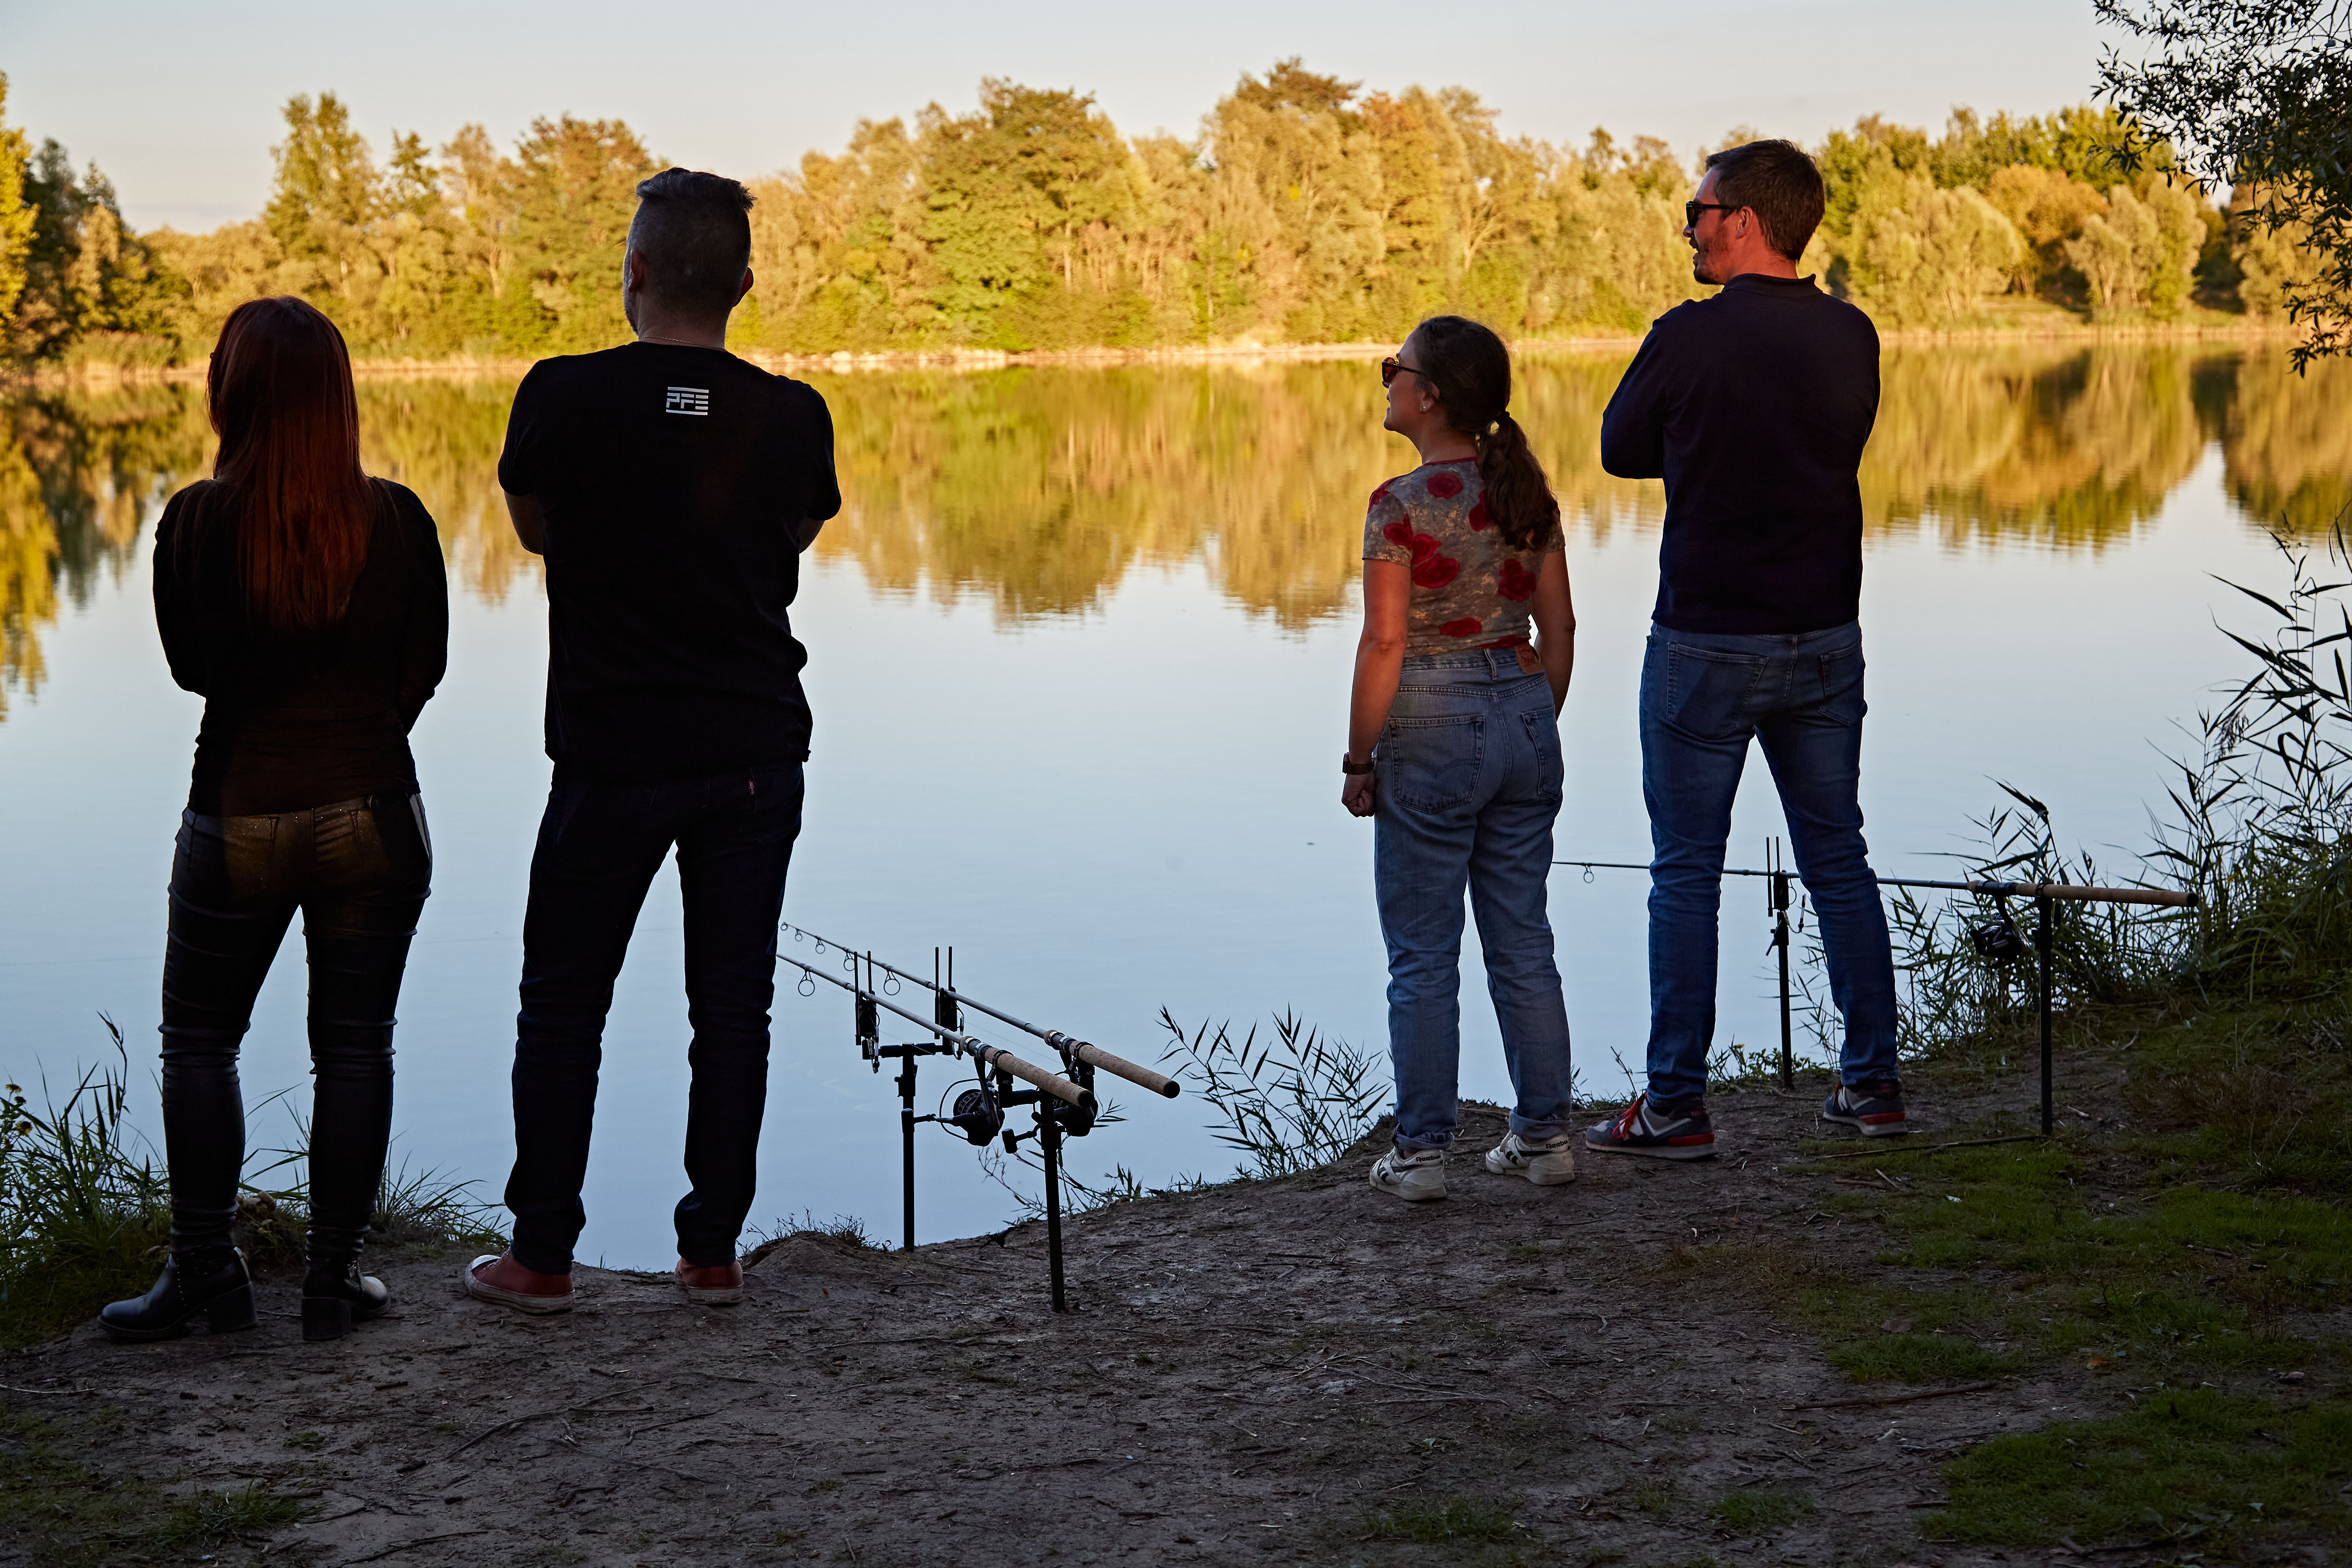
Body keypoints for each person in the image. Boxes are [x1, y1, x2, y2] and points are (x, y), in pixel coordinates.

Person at [463, 169, 840, 1316]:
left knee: (564, 1001)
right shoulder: (792, 414)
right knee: (732, 1007)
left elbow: (536, 532)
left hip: (613, 749)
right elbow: (797, 531)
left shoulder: (561, 398)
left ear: (633, 275)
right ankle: (711, 1253)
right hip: (750, 750)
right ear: (742, 284)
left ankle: (541, 1257)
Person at [105, 297, 448, 1344]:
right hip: (375, 816)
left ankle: (207, 1275)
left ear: (230, 392)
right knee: (355, 1050)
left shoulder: (194, 522)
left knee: (200, 1043)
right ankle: (334, 1283)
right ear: (340, 399)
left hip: (238, 813)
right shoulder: (398, 519)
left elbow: (190, 670)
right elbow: (421, 671)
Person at [1588, 139, 1903, 1160]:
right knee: (1838, 856)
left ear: (1745, 221)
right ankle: (1873, 1088)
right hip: (1825, 638)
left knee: (1685, 870)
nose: (1687, 225)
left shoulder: (1686, 337)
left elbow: (1620, 451)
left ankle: (1675, 1105)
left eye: (1697, 208)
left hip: (1707, 643)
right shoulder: (1852, 335)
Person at [1344, 315, 1580, 1203]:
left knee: (1423, 955)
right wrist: (1527, 718)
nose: (1388, 382)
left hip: (1432, 718)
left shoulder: (1399, 504)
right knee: (1523, 942)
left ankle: (1422, 1156)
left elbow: (1383, 645)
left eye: (1393, 370)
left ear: (1430, 393)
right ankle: (1545, 1138)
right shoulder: (1526, 493)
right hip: (1523, 710)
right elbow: (1558, 629)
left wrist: (1357, 758)